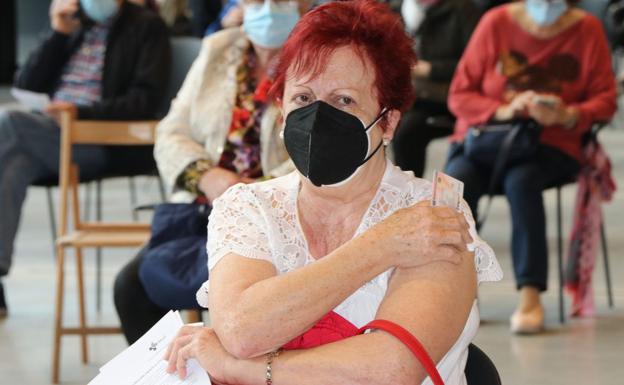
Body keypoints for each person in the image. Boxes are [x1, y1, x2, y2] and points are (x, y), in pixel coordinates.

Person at [164, 1, 502, 384]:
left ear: (388, 121)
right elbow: (243, 331)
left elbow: (390, 369)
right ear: (281, 107)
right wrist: (382, 245)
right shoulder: (248, 207)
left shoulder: (434, 213)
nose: (317, 119)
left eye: (344, 100)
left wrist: (241, 369)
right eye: (303, 99)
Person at [114, 0, 307, 344]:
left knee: (236, 298)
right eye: (257, 1)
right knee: (132, 287)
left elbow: (321, 149)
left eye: (279, 0)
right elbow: (171, 131)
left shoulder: (317, 58)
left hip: (279, 214)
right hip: (204, 207)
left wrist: (253, 189)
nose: (268, 9)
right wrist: (208, 176)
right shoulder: (219, 49)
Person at [444, 0, 617, 334]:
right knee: (458, 181)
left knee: (523, 180)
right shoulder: (495, 23)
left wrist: (567, 114)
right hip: (488, 140)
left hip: (551, 144)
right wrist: (506, 109)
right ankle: (456, 291)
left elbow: (605, 100)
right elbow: (460, 95)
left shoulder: (587, 30)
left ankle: (530, 295)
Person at [0, 0, 170, 317]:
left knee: (8, 124)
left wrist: (80, 113)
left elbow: (144, 101)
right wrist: (57, 35)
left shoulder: (146, 26)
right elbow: (25, 85)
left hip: (102, 139)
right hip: (51, 135)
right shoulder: (73, 25)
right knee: (12, 163)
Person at [392, 0, 481, 178]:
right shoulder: (395, 9)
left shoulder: (463, 10)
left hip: (445, 98)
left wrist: (429, 69)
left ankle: (411, 196)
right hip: (407, 94)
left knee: (406, 133)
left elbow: (475, 65)